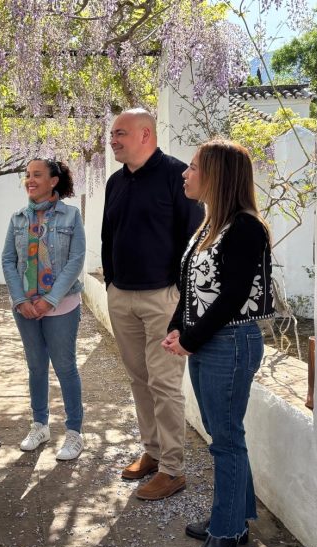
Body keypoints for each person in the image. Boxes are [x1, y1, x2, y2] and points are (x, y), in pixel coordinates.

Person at [163, 139, 275, 547]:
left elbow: (230, 298)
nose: (185, 174)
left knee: (225, 440)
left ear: (217, 175)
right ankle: (237, 518)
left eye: (193, 168)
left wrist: (190, 339)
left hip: (231, 342)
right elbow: (193, 288)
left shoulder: (245, 227)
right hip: (211, 341)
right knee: (224, 434)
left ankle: (226, 532)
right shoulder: (211, 225)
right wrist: (178, 325)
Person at [101, 108, 204, 500]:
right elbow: (108, 238)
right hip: (121, 296)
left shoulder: (177, 177)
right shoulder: (114, 183)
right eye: (113, 133)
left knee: (164, 383)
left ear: (146, 134)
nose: (113, 140)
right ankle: (154, 452)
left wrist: (179, 298)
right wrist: (111, 283)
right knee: (139, 379)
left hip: (163, 297)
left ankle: (174, 470)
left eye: (120, 133)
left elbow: (193, 241)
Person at [1, 158, 86, 461]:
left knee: (64, 367)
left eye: (36, 175)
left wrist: (49, 299)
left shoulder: (71, 216)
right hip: (25, 307)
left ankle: (74, 432)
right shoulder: (18, 218)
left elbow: (76, 261)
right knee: (36, 367)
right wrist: (21, 300)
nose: (29, 180)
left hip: (61, 305)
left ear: (53, 181)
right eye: (27, 175)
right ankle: (40, 425)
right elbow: (8, 260)